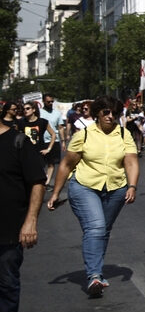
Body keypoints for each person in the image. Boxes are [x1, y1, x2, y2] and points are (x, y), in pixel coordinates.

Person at [45, 96, 138, 297]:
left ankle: (96, 270)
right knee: (95, 227)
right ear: (97, 113)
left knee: (104, 229)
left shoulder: (124, 134)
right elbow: (66, 165)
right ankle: (94, 275)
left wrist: (132, 186)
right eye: (106, 112)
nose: (110, 117)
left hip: (116, 187)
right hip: (85, 186)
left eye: (115, 113)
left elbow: (130, 161)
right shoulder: (84, 135)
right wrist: (55, 193)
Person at [0, 101, 45, 312]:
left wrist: (31, 220)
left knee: (6, 282)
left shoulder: (18, 142)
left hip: (9, 228)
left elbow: (37, 181)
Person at [16, 102, 51, 182]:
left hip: (39, 152)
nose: (25, 110)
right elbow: (16, 136)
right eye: (24, 109)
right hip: (26, 152)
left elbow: (53, 135)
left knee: (39, 177)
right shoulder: (21, 122)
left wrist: (48, 149)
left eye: (28, 108)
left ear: (34, 110)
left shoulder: (43, 122)